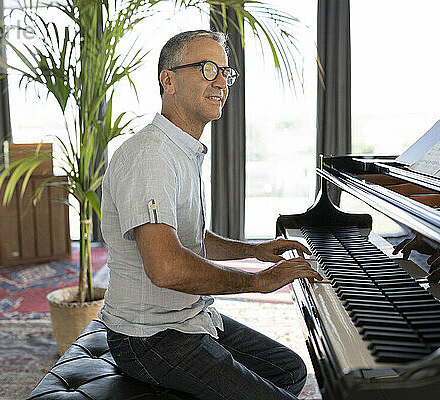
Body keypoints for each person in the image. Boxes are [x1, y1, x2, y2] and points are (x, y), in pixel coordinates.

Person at [98, 29, 322, 400]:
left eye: (225, 72)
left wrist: (254, 251)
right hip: (150, 336)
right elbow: (166, 266)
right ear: (168, 80)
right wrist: (257, 282)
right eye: (207, 68)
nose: (221, 81)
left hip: (186, 318)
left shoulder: (180, 150)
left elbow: (192, 240)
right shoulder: (150, 156)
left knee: (290, 370)